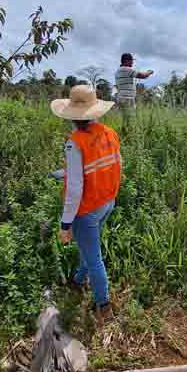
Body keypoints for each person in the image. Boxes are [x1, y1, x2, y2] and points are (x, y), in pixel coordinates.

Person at [51, 85, 121, 320]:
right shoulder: (110, 133)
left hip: (87, 209)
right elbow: (110, 165)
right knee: (88, 246)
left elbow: (74, 189)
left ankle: (104, 306)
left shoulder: (75, 143)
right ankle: (78, 280)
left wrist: (65, 224)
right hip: (107, 202)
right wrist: (67, 172)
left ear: (71, 115)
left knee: (94, 258)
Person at [114, 53, 153, 133]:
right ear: (127, 61)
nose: (132, 63)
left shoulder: (118, 71)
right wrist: (149, 72)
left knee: (125, 119)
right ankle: (130, 135)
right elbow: (143, 76)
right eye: (131, 61)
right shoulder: (127, 69)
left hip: (121, 97)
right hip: (127, 98)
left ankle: (124, 134)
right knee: (131, 119)